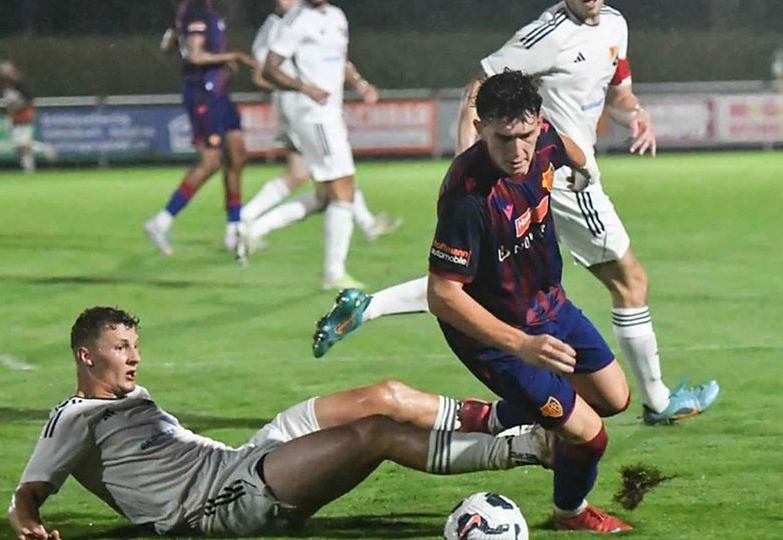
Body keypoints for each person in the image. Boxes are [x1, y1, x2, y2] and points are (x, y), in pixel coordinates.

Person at [313, 0, 719, 427]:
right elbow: (480, 85)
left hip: (568, 165)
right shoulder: (549, 33)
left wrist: (635, 116)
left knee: (483, 277)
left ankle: (370, 306)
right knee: (630, 280)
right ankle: (656, 401)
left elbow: (619, 97)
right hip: (553, 178)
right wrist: (467, 156)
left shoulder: (616, 26)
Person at [7, 306, 552, 539]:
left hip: (241, 459)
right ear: (85, 356)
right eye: (121, 348)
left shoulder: (131, 396)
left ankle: (503, 415)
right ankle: (529, 448)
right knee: (375, 434)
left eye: (135, 346)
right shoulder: (73, 418)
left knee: (378, 396)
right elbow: (28, 491)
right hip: (220, 505)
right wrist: (26, 520)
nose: (135, 357)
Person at [421, 70, 631, 532]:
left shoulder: (544, 138)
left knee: (615, 397)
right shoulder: (466, 198)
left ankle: (497, 415)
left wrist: (586, 173)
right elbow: (441, 294)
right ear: (480, 130)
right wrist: (520, 346)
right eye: (503, 138)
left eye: (526, 136)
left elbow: (568, 150)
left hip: (548, 304)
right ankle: (569, 514)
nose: (518, 152)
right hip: (496, 338)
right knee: (590, 437)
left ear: (537, 123)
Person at [241, 0, 401, 257]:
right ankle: (337, 265)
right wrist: (305, 88)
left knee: (322, 187)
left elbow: (341, 60)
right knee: (337, 182)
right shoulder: (282, 24)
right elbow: (264, 72)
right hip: (306, 111)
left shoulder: (336, 16)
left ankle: (251, 227)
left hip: (323, 110)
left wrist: (360, 85)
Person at [143, 0, 257, 262]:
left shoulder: (196, 11)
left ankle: (233, 231)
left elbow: (169, 44)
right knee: (212, 161)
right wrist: (233, 56)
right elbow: (195, 55)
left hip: (219, 94)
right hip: (204, 97)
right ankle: (161, 222)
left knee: (237, 155)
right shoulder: (196, 11)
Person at [0, 60, 56, 173]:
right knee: (20, 145)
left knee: (22, 143)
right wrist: (7, 111)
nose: (2, 72)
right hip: (16, 116)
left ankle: (45, 149)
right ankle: (29, 168)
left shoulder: (18, 82)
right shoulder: (9, 84)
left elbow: (28, 98)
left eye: (4, 69)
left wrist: (18, 108)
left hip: (24, 115)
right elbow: (10, 101)